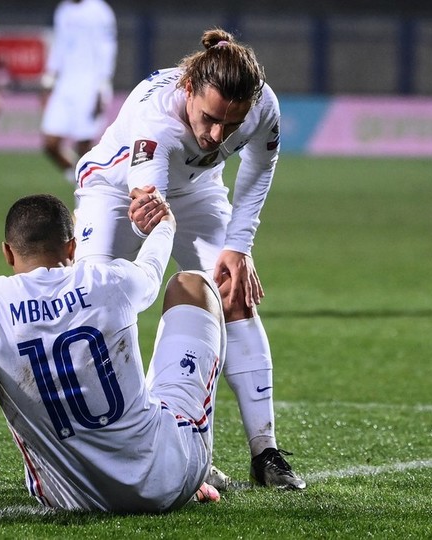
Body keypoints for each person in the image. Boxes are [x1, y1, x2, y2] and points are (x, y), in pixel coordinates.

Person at [72, 27, 306, 490]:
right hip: (119, 192)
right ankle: (124, 444)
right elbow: (150, 216)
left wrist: (239, 247)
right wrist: (152, 230)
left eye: (231, 125)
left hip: (196, 190)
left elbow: (260, 166)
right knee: (94, 310)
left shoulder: (263, 104)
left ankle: (266, 453)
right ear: (188, 89)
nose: (217, 136)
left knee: (233, 292)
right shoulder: (156, 120)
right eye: (209, 119)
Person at [0, 192, 225, 512]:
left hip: (70, 499)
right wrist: (165, 223)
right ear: (72, 247)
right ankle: (192, 465)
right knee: (192, 284)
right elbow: (152, 268)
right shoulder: (109, 279)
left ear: (7, 252)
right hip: (168, 481)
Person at [40, 0, 117, 184]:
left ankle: (85, 192)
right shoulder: (63, 10)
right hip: (64, 84)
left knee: (84, 146)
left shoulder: (100, 11)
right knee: (50, 143)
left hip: (90, 84)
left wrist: (102, 87)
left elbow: (107, 49)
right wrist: (49, 79)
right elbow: (59, 46)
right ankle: (80, 180)